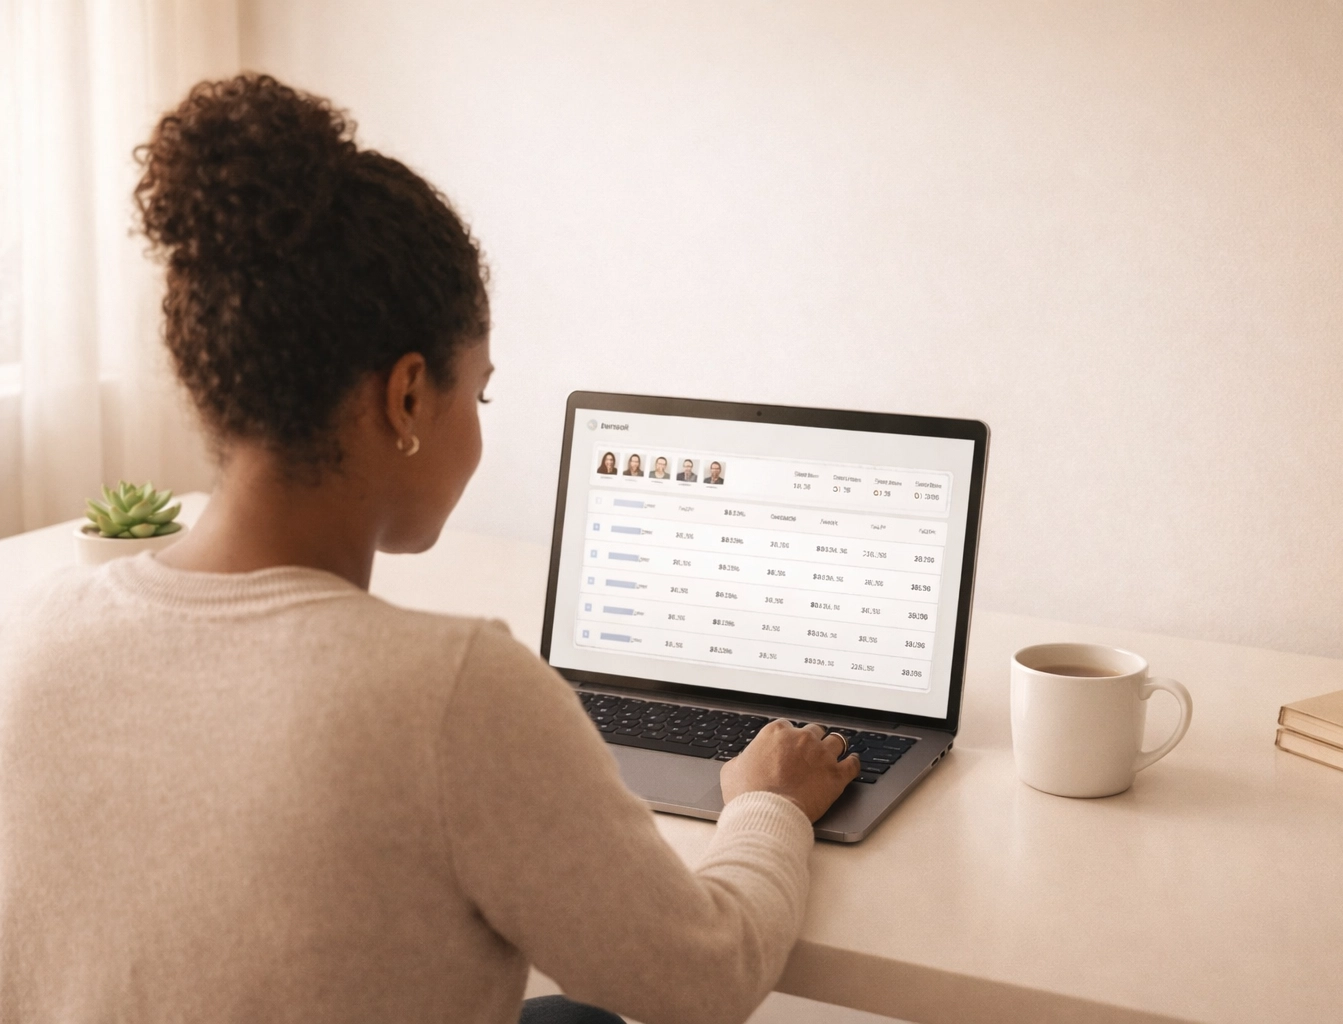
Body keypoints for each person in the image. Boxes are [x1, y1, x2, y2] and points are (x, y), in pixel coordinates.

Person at [0, 74, 858, 1024]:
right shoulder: (454, 693)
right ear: (407, 397)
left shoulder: (40, 633)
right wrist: (768, 804)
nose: (480, 433)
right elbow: (707, 979)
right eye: (479, 395)